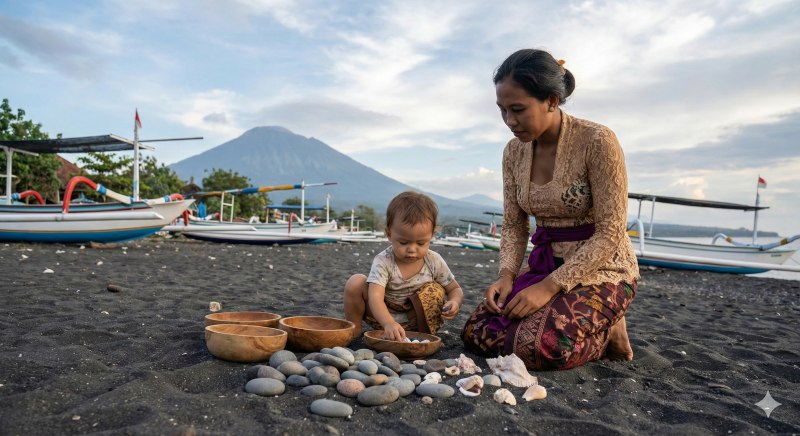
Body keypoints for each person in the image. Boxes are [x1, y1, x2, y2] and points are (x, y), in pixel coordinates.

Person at [460, 49, 639, 370]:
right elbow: (514, 226)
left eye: (518, 109)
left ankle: (611, 329)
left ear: (552, 101)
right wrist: (506, 277)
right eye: (502, 110)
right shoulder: (513, 152)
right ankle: (592, 323)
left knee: (540, 348)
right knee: (477, 334)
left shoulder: (598, 141)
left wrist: (548, 288)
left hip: (604, 269)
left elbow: (611, 231)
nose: (510, 121)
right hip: (545, 264)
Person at [344, 191, 464, 340]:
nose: (412, 249)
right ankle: (354, 331)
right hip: (382, 318)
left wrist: (454, 302)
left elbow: (454, 289)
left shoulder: (434, 261)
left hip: (418, 322)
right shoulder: (384, 261)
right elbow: (375, 297)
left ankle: (425, 337)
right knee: (355, 282)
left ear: (431, 236)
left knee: (436, 290)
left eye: (421, 243)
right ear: (389, 234)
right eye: (403, 242)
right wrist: (388, 323)